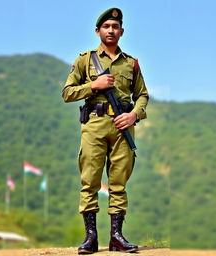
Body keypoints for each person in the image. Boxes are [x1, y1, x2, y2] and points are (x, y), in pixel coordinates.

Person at [62, 7, 149, 254]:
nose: (111, 30)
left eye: (115, 27)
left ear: (121, 32)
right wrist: (93, 85)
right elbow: (67, 93)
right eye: (106, 27)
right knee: (90, 180)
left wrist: (134, 115)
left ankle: (116, 238)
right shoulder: (85, 60)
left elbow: (142, 95)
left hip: (123, 126)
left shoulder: (131, 63)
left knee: (119, 182)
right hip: (95, 125)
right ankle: (90, 238)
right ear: (98, 31)